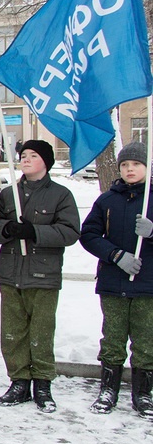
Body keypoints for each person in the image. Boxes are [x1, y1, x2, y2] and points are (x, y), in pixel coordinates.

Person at [0, 139, 79, 412]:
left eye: (33, 155)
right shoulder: (9, 195)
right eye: (23, 155)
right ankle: (19, 381)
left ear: (46, 161)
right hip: (11, 272)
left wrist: (34, 232)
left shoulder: (60, 195)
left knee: (41, 332)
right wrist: (7, 229)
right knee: (12, 332)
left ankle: (42, 383)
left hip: (43, 274)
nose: (26, 159)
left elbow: (70, 232)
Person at [80, 142, 153, 420]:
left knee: (146, 340)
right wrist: (115, 254)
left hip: (148, 284)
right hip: (114, 282)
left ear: (146, 166)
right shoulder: (107, 200)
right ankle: (108, 389)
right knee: (112, 338)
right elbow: (89, 235)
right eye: (124, 165)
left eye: (135, 164)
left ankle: (143, 393)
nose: (130, 169)